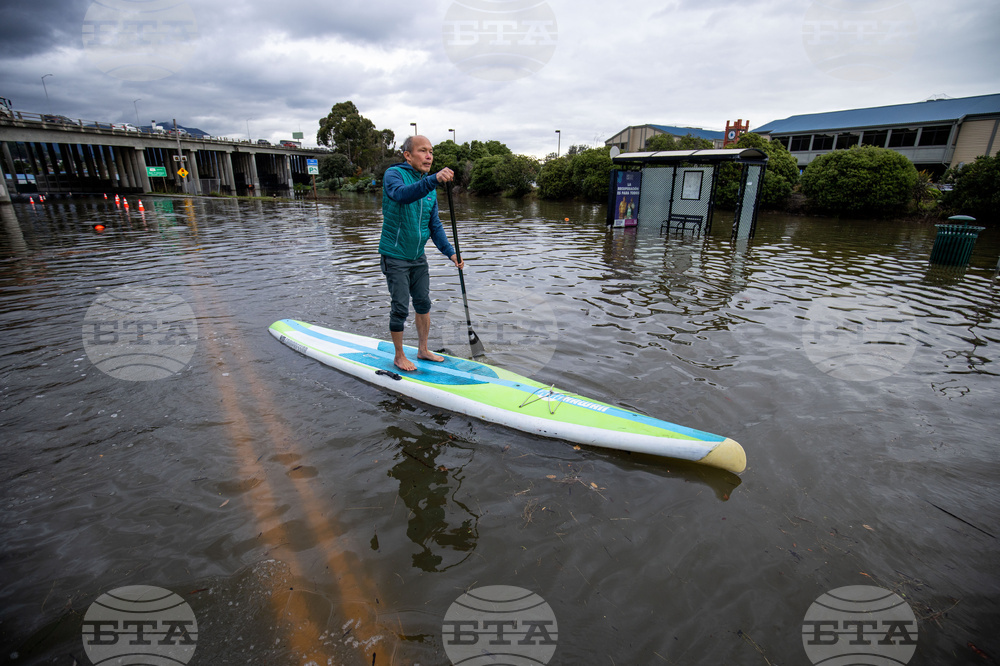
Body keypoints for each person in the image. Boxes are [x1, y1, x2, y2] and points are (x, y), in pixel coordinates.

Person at [380, 135, 463, 372]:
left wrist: (451, 253)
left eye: (431, 152)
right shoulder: (393, 175)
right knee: (400, 307)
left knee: (423, 303)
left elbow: (434, 224)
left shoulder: (429, 188)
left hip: (417, 256)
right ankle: (398, 356)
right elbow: (402, 195)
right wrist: (433, 180)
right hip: (395, 255)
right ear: (407, 155)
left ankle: (423, 350)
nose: (429, 156)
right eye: (423, 151)